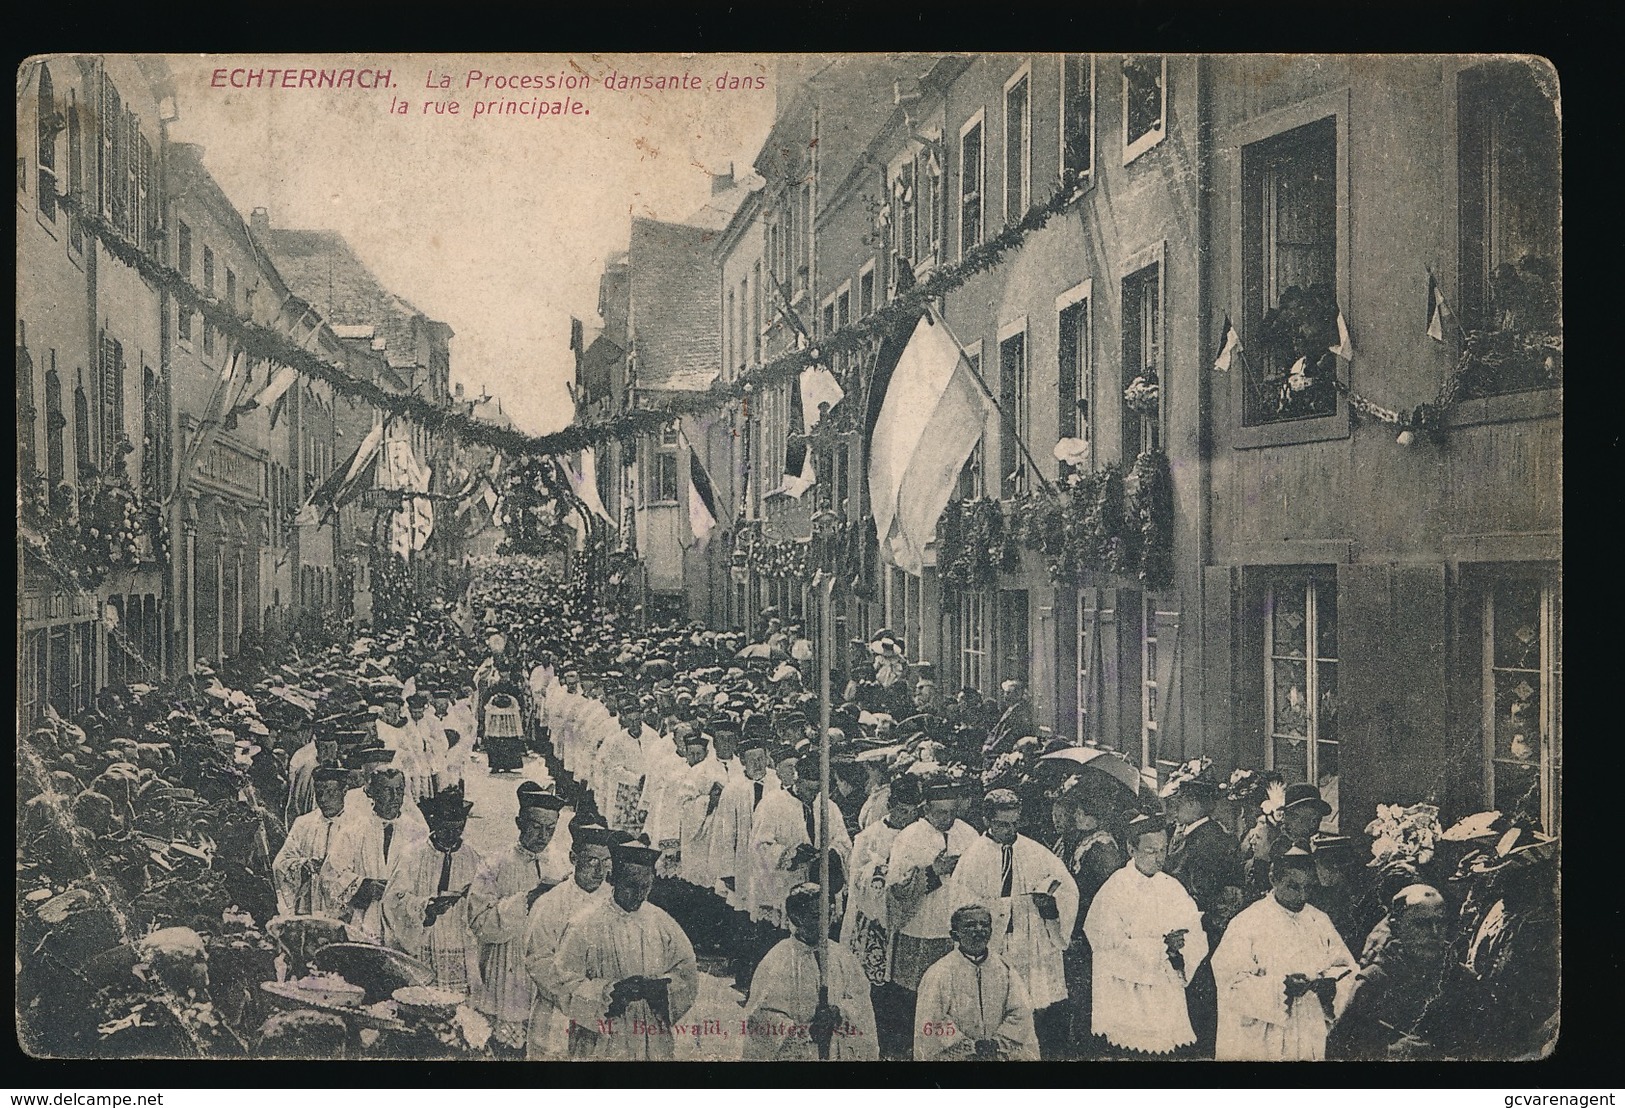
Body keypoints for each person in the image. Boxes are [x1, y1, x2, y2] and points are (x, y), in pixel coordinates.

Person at [947, 788, 1079, 1059]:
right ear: (987, 821)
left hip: (1032, 942)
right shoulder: (972, 859)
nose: (1010, 830)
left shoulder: (1036, 852)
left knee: (1036, 1003)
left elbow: (1067, 889)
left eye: (1015, 823)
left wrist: (1051, 906)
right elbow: (962, 906)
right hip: (996, 944)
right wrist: (1004, 907)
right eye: (1003, 824)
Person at [551, 840, 700, 1061]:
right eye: (631, 885)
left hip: (650, 1031)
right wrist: (611, 993)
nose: (639, 895)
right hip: (602, 1035)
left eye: (646, 887)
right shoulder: (584, 924)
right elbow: (563, 981)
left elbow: (686, 970)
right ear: (614, 880)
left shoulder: (662, 922)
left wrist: (661, 990)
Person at [1212, 847, 1357, 1061]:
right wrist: (1281, 988)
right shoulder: (1247, 922)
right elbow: (1230, 980)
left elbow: (1346, 969)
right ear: (1273, 879)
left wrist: (1331, 986)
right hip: (1262, 1032)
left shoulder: (1319, 920)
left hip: (1308, 1024)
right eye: (1293, 886)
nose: (1302, 896)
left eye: (1308, 888)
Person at [1083, 813, 1209, 1057]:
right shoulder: (1115, 888)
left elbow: (1195, 933)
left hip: (1165, 989)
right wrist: (1161, 947)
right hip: (1127, 991)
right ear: (1132, 848)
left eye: (1163, 850)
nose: (1159, 858)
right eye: (1151, 851)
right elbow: (1106, 945)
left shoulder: (1173, 887)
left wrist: (1179, 950)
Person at [471, 784, 571, 1057]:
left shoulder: (562, 864)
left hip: (549, 967)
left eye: (550, 829)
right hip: (507, 967)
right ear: (519, 822)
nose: (543, 836)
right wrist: (526, 901)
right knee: (506, 1049)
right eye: (536, 827)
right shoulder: (495, 864)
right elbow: (480, 924)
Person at [884, 776, 981, 1054]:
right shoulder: (909, 837)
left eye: (952, 812)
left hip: (955, 932)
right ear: (926, 809)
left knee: (951, 996)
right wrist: (933, 872)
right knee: (914, 995)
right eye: (941, 812)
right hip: (920, 929)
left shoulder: (968, 834)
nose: (948, 819)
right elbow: (897, 889)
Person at [744, 883, 880, 1061]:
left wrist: (839, 1013)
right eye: (816, 916)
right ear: (796, 918)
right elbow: (761, 1017)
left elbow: (862, 1003)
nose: (826, 922)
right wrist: (803, 1031)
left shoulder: (843, 957)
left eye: (829, 914)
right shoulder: (778, 961)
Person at [1162, 765, 1243, 1056]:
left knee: (1199, 988)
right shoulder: (1190, 833)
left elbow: (1201, 890)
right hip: (1190, 922)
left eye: (1180, 803)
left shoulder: (1208, 840)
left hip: (1202, 927)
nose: (1174, 809)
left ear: (1196, 805)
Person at [523, 821, 620, 1059]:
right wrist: (578, 995)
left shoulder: (615, 901)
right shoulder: (551, 903)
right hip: (559, 1009)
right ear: (574, 858)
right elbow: (538, 960)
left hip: (605, 1008)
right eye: (591, 861)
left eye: (605, 862)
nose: (599, 871)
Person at [1327, 884, 1457, 1059]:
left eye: (1440, 922)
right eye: (1421, 924)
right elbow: (1336, 1049)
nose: (1434, 932)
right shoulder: (1374, 983)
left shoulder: (1463, 980)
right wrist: (1388, 1052)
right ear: (1397, 928)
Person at [843, 773, 922, 1060]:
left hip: (910, 918)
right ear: (891, 804)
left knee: (906, 985)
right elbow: (857, 882)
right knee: (880, 986)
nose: (907, 817)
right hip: (876, 921)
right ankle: (881, 1044)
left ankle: (904, 1043)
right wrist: (880, 871)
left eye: (914, 811)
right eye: (902, 810)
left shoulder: (920, 834)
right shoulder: (870, 837)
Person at [1049, 774, 1125, 1057]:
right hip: (1075, 930)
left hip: (1089, 935)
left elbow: (1107, 899)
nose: (1075, 815)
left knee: (1086, 997)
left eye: (1081, 810)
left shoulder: (1102, 849)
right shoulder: (1078, 842)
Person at [384, 789, 486, 996]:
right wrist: (425, 906)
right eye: (446, 830)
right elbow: (394, 898)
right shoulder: (412, 855)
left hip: (458, 940)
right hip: (422, 939)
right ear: (435, 824)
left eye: (458, 830)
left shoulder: (474, 858)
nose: (452, 836)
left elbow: (483, 900)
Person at [913, 905, 1039, 1061]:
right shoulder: (940, 973)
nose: (979, 930)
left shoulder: (1005, 969)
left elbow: (1021, 1011)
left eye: (985, 924)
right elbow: (931, 1019)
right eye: (970, 925)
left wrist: (996, 1043)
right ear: (955, 935)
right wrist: (969, 1047)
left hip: (998, 1054)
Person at [750, 752, 853, 930]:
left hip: (819, 887)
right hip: (784, 884)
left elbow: (843, 842)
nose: (812, 796)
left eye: (816, 791)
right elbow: (759, 846)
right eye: (808, 790)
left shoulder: (829, 807)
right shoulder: (772, 804)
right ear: (796, 780)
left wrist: (831, 854)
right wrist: (790, 854)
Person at [329, 766, 424, 945]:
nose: (394, 797)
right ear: (372, 793)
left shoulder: (418, 832)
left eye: (399, 790)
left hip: (404, 925)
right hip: (364, 923)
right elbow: (332, 873)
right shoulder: (354, 832)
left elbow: (427, 877)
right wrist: (363, 886)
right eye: (387, 790)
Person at [272, 767, 356, 918]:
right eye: (319, 793)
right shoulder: (303, 824)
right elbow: (280, 863)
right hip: (309, 903)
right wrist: (302, 865)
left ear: (344, 791)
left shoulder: (357, 825)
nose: (323, 799)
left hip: (344, 908)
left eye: (330, 792)